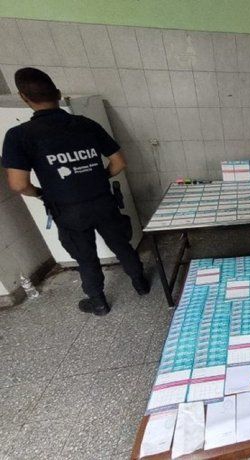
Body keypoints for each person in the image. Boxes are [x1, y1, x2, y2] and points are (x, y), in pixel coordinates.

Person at [1, 67, 149, 316]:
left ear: (24, 98)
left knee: (85, 256)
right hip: (103, 201)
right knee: (121, 244)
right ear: (58, 94)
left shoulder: (19, 136)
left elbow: (18, 184)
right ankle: (141, 283)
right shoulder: (86, 124)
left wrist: (40, 193)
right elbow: (119, 163)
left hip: (67, 210)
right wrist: (99, 177)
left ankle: (98, 302)